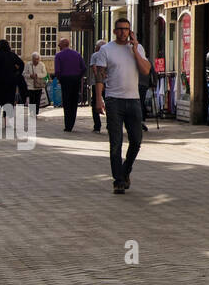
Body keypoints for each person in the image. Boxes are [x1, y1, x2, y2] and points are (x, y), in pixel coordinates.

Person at [92, 19, 151, 194]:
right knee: (115, 142)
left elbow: (146, 70)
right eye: (120, 29)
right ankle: (118, 180)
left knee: (136, 140)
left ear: (130, 31)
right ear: (114, 31)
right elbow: (100, 77)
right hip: (114, 100)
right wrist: (98, 99)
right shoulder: (106, 50)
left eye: (126, 29)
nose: (123, 32)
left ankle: (125, 171)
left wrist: (135, 50)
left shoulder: (137, 49)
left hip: (133, 100)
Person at [53, 37, 87, 132]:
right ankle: (71, 122)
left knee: (67, 102)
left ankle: (68, 125)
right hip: (75, 79)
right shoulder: (77, 54)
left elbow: (57, 71)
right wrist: (78, 77)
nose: (58, 46)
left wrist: (61, 79)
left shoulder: (59, 56)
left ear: (63, 45)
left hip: (65, 80)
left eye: (59, 44)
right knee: (73, 102)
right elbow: (84, 68)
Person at [0, 39, 23, 108]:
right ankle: (6, 116)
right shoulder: (12, 55)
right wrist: (17, 73)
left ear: (0, 46)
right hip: (10, 81)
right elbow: (21, 64)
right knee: (9, 100)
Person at [88, 40, 106, 132]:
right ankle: (110, 124)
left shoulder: (95, 55)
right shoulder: (108, 54)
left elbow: (94, 69)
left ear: (98, 47)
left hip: (97, 83)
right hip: (107, 82)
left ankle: (97, 126)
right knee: (109, 103)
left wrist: (98, 79)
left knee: (95, 103)